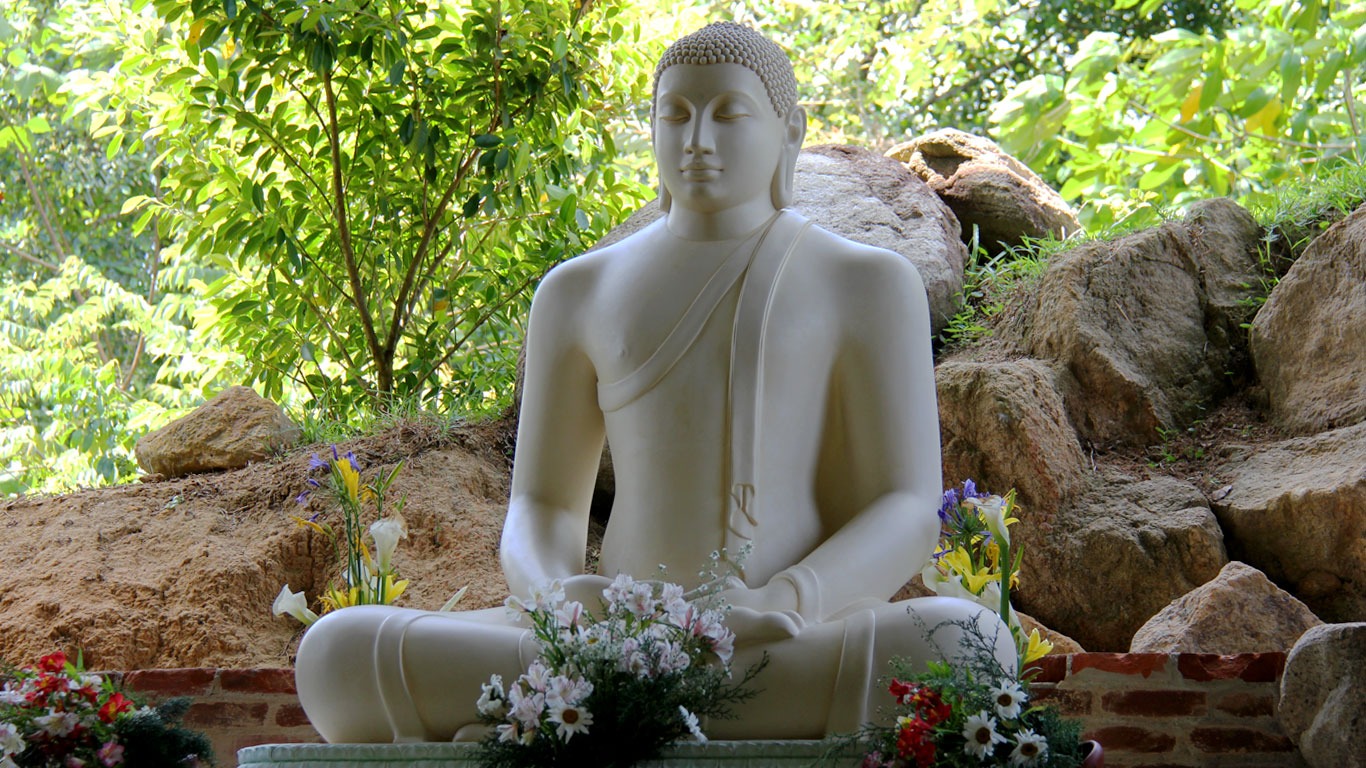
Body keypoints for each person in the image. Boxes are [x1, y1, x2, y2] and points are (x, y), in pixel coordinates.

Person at [295, 21, 1014, 743]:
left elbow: (905, 505)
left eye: (728, 114)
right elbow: (542, 504)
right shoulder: (578, 291)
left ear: (789, 133)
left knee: (967, 644)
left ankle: (585, 715)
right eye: (675, 115)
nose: (696, 140)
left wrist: (787, 600)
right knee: (336, 654)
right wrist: (555, 602)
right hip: (608, 640)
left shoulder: (865, 282)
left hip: (777, 637)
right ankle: (643, 697)